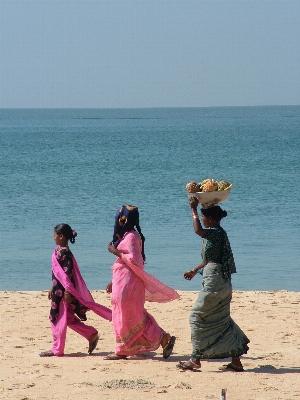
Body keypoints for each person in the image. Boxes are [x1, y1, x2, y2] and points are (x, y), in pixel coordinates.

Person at [177, 197, 250, 372]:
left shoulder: (216, 232)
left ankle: (195, 359)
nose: (201, 219)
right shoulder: (217, 234)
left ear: (209, 218)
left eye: (203, 216)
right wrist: (195, 270)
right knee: (222, 320)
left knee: (196, 317)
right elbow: (211, 259)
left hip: (215, 284)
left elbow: (198, 231)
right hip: (220, 281)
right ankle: (236, 361)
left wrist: (193, 209)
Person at [104, 204, 179, 360]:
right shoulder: (127, 236)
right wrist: (113, 281)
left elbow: (135, 261)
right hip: (122, 280)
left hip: (130, 283)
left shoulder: (131, 236)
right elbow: (122, 262)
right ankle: (133, 346)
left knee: (132, 313)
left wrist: (115, 251)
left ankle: (157, 339)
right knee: (125, 312)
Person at [39, 224, 112, 357]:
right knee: (68, 318)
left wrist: (67, 292)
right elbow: (58, 273)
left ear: (61, 236)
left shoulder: (64, 253)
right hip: (58, 290)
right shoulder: (58, 251)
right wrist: (53, 287)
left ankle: (57, 349)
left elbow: (68, 273)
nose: (53, 238)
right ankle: (91, 334)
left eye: (55, 235)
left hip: (63, 293)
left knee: (57, 318)